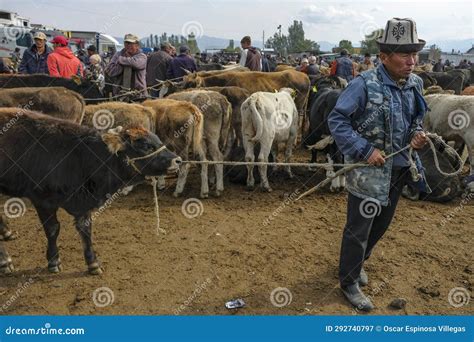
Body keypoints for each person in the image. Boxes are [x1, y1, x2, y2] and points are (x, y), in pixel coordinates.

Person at [327, 18, 429, 312]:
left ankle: (358, 263)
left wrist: (416, 136)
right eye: (404, 55)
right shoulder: (363, 84)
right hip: (368, 172)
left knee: (382, 223)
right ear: (384, 57)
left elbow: (415, 121)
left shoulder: (415, 84)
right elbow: (337, 120)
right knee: (358, 228)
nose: (412, 61)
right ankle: (348, 281)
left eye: (415, 54)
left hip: (399, 166)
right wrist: (365, 149)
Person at [105, 33, 147, 98]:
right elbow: (110, 71)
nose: (128, 45)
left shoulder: (142, 56)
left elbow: (135, 64)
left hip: (138, 94)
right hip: (120, 94)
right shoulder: (118, 54)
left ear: (137, 45)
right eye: (126, 43)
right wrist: (122, 66)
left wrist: (120, 60)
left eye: (131, 43)